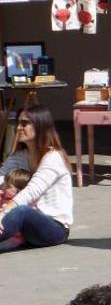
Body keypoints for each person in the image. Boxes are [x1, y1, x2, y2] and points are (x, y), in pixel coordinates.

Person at [0, 105, 73, 252]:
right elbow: (1, 177)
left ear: (40, 126)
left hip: (54, 228)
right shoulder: (19, 156)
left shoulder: (54, 157)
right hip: (26, 228)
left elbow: (31, 192)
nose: (19, 128)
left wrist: (3, 212)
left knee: (22, 211)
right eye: (18, 123)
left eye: (25, 123)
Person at [0, 168, 31, 251]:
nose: (3, 186)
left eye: (8, 186)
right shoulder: (3, 197)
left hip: (14, 237)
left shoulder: (20, 203)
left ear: (19, 190)